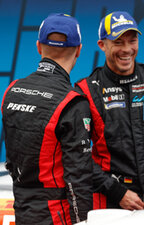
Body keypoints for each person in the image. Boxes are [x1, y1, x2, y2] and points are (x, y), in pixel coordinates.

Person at [76, 11, 144, 210]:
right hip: (108, 201)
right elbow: (78, 153)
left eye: (132, 40)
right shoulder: (85, 90)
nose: (126, 49)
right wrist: (117, 192)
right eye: (118, 42)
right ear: (102, 45)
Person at [1, 13, 93, 225]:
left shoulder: (11, 91)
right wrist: (83, 222)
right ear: (79, 50)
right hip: (56, 214)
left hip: (22, 209)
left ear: (38, 47)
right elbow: (78, 179)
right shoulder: (72, 102)